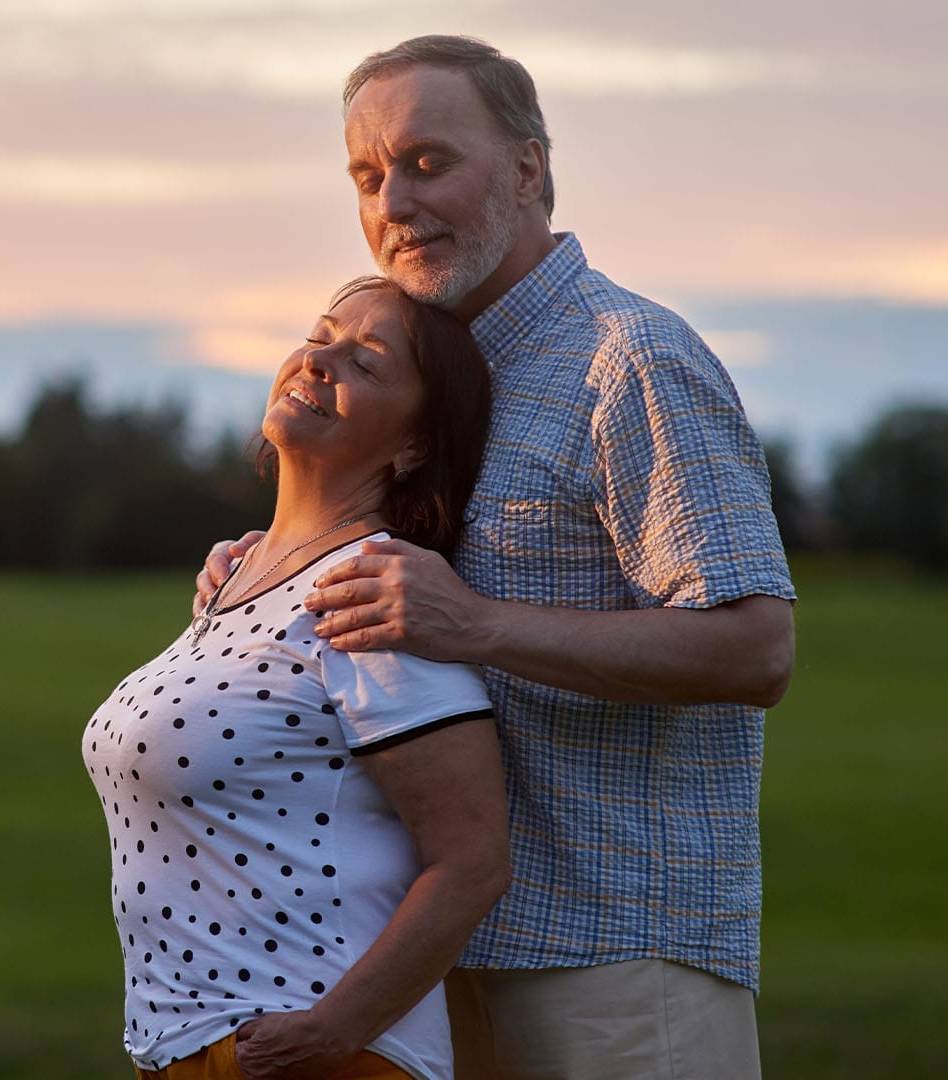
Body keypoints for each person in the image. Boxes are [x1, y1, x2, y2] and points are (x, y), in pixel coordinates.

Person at [195, 36, 796, 1080]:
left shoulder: (630, 358)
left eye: (429, 162)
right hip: (431, 963)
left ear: (527, 168)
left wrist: (480, 627)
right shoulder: (441, 379)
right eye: (368, 176)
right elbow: (403, 588)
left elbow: (756, 648)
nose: (395, 205)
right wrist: (270, 569)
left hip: (617, 966)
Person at [83, 276, 511, 1080]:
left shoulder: (374, 594)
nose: (320, 360)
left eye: (367, 361)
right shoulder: (242, 575)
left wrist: (327, 1032)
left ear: (415, 444)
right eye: (320, 335)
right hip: (192, 1050)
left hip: (317, 1057)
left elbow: (473, 859)